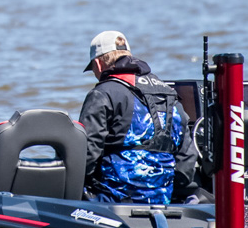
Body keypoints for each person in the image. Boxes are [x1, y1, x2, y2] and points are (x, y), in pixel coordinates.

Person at [78, 30, 203, 204]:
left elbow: (87, 154)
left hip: (113, 199)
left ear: (98, 64)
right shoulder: (169, 94)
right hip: (164, 197)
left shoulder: (102, 93)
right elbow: (187, 158)